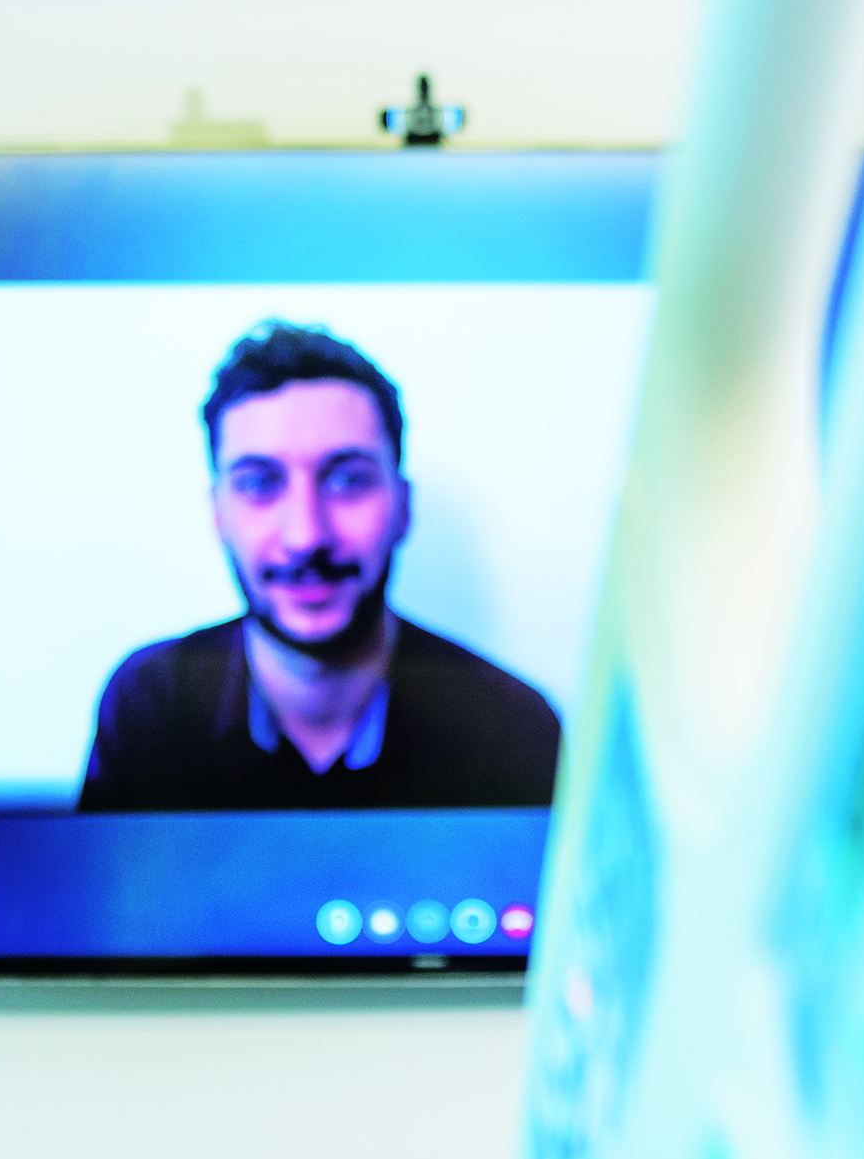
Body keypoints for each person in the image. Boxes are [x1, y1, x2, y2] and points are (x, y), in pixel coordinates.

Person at [78, 322, 563, 811]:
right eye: (259, 484)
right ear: (218, 513)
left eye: (349, 480)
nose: (306, 536)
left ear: (403, 508)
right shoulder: (153, 706)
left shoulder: (510, 727)